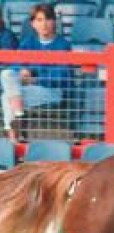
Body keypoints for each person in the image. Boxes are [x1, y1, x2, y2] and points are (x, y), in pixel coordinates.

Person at [0, 3, 72, 140]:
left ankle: (13, 141)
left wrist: (35, 78)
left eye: (48, 19)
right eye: (39, 20)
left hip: (52, 91)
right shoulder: (28, 42)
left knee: (6, 97)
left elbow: (62, 75)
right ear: (33, 23)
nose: (44, 24)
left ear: (54, 22)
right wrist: (22, 70)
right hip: (28, 89)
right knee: (6, 74)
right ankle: (19, 114)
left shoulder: (63, 44)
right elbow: (16, 64)